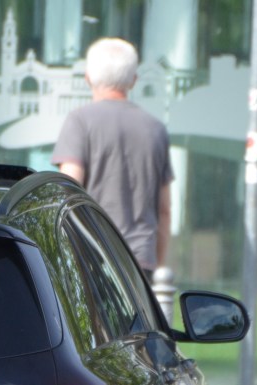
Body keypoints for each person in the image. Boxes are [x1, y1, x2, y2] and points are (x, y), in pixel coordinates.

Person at [51, 38, 171, 278]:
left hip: (91, 254)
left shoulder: (80, 121)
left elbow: (67, 191)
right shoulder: (156, 129)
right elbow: (165, 209)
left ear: (87, 78)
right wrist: (155, 264)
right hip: (139, 260)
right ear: (133, 80)